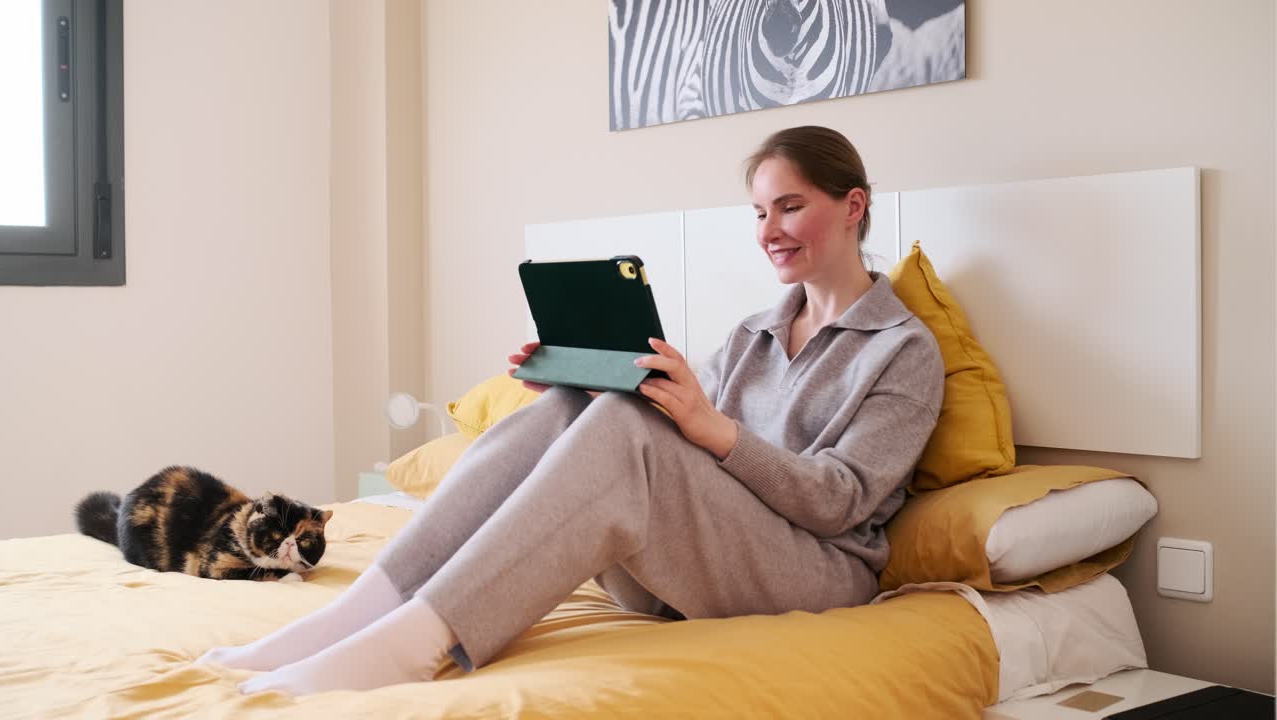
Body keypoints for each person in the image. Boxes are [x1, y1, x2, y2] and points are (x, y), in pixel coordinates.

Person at [197, 125, 944, 696]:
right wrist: (592, 387)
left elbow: (839, 502)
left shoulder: (903, 352)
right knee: (574, 409)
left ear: (854, 207)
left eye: (790, 206)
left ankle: (416, 640)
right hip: (695, 563)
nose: (769, 230)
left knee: (624, 427)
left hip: (814, 572)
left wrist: (708, 427)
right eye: (759, 212)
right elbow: (684, 448)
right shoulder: (755, 331)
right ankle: (355, 615)